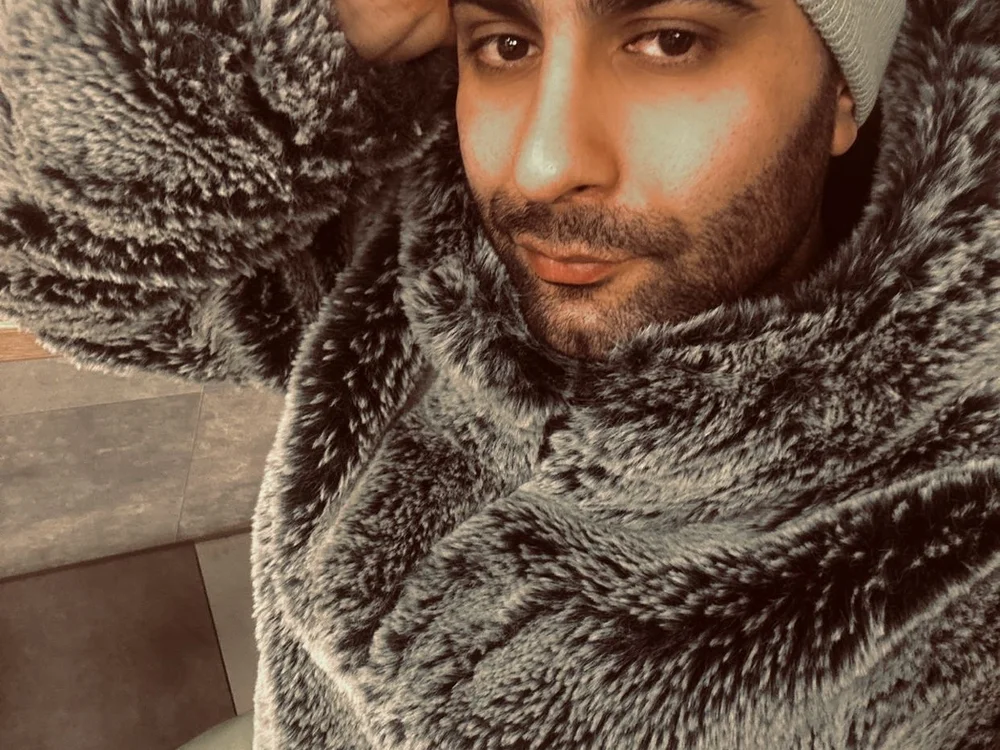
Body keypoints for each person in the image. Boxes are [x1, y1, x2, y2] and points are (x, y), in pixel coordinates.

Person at [1, 0, 997, 747]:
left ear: (841, 93)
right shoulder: (419, 243)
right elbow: (71, 277)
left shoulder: (961, 522)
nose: (543, 163)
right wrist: (297, 38)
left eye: (668, 40)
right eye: (506, 44)